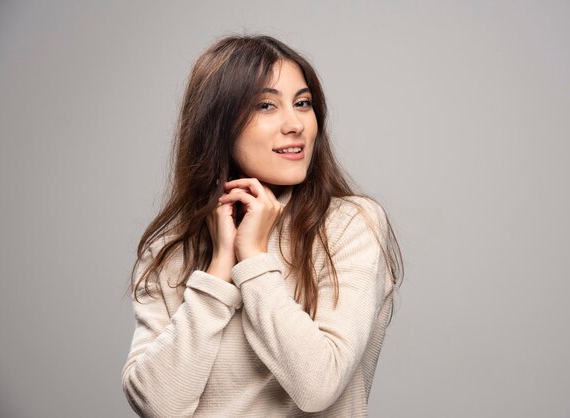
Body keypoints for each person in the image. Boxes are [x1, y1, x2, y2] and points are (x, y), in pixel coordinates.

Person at [121, 34, 403, 417]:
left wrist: (252, 260)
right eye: (266, 105)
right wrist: (219, 269)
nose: (295, 124)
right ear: (218, 125)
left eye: (303, 104)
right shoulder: (171, 249)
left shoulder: (349, 224)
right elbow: (159, 406)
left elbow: (318, 385)